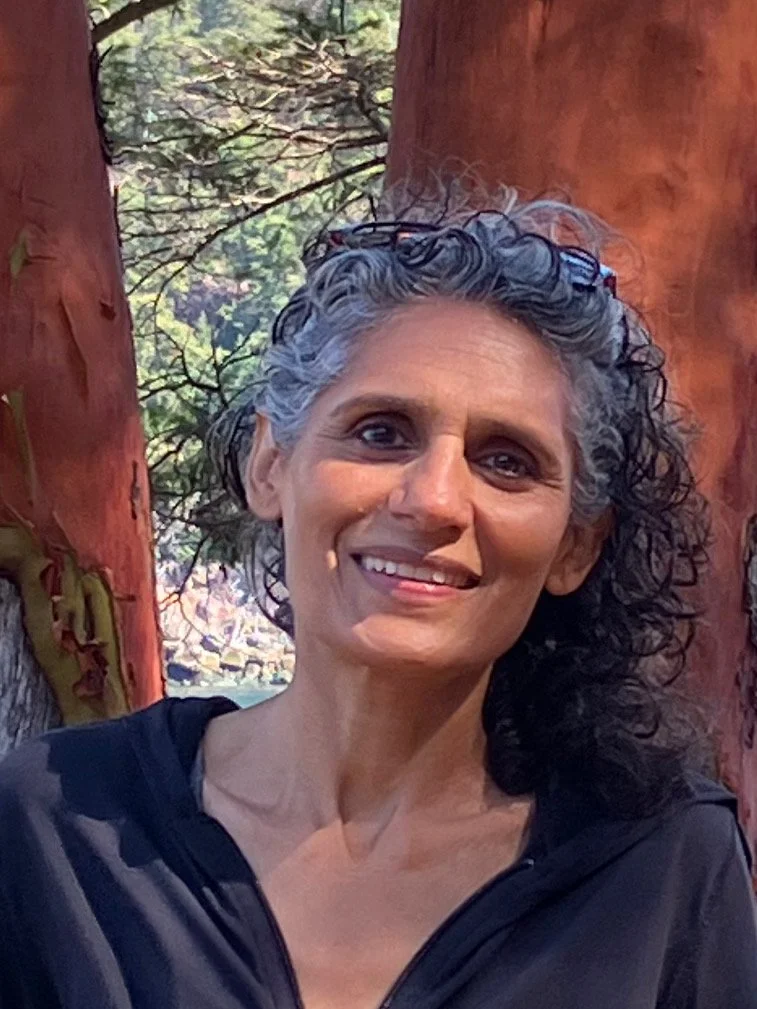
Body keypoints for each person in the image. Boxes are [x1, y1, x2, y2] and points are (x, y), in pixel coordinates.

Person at [1, 193, 756, 1009]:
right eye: (381, 432)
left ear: (575, 544)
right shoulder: (60, 826)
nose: (433, 500)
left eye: (506, 460)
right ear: (270, 465)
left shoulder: (659, 864)